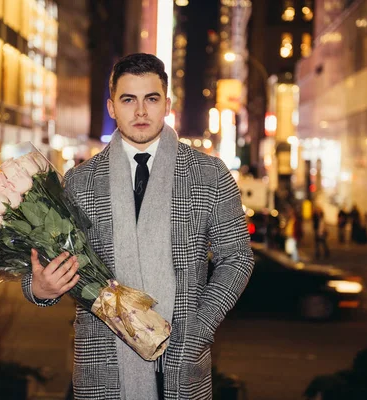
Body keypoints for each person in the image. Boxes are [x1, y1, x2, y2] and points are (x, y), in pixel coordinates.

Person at [21, 53, 254, 400]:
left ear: (167, 105)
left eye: (151, 99)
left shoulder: (209, 175)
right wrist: (40, 289)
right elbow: (42, 268)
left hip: (181, 363)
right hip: (102, 366)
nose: (141, 111)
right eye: (128, 99)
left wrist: (198, 329)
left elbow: (236, 258)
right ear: (112, 106)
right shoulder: (80, 181)